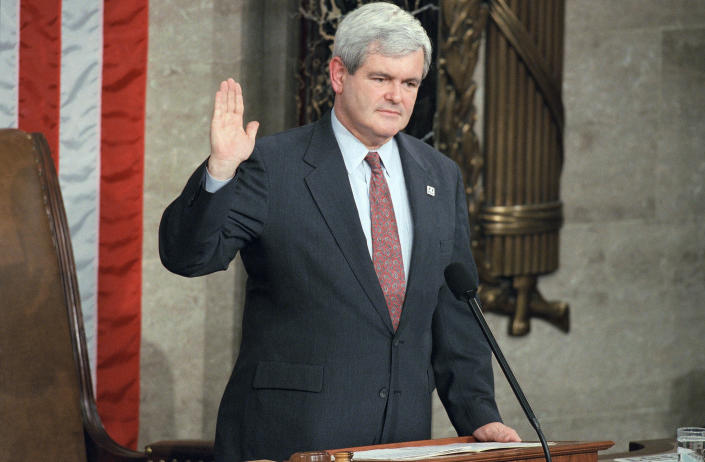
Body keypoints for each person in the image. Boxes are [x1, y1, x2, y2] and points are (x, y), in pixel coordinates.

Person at [159, 3, 520, 461]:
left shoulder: (439, 175)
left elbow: (454, 309)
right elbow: (188, 257)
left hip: (403, 442)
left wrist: (477, 414)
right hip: (291, 438)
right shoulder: (272, 165)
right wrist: (221, 171)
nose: (397, 96)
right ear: (338, 74)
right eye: (380, 79)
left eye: (409, 83)